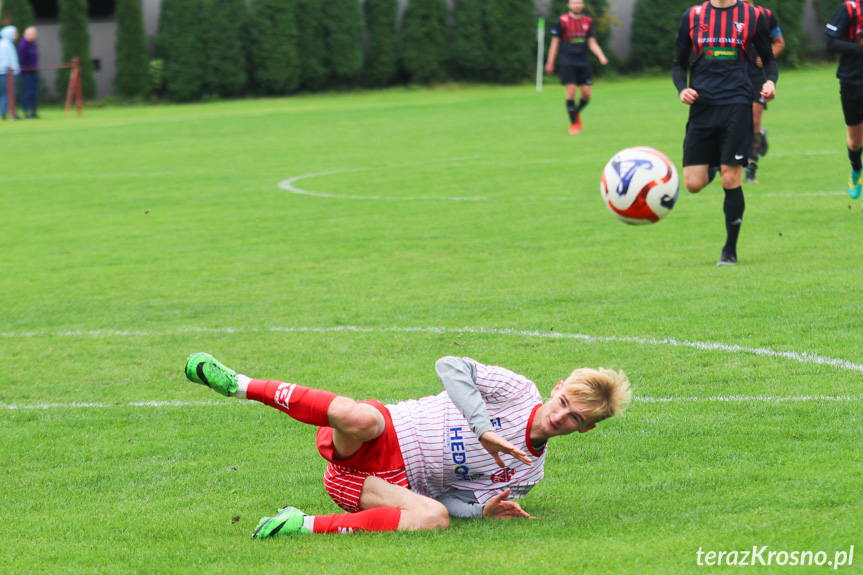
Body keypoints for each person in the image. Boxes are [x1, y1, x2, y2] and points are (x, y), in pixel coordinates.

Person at [183, 352, 631, 537]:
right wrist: (481, 427)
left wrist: (483, 510)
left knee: (434, 518)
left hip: (384, 483)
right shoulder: (518, 391)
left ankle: (300, 524)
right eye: (564, 402)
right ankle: (239, 384)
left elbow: (454, 503)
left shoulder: (528, 474)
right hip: (384, 431)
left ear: (584, 429)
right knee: (360, 415)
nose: (559, 415)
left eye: (574, 418)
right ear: (556, 389)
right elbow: (450, 365)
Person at [672, 0, 778, 266]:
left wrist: (769, 81)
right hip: (702, 107)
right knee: (693, 184)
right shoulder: (693, 15)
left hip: (737, 104)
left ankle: (729, 251)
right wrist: (681, 89)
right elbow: (678, 63)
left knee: (730, 179)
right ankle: (723, 161)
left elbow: (769, 60)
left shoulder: (752, 16)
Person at [545, 0, 608, 135]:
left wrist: (601, 55)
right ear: (569, 5)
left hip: (583, 62)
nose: (577, 5)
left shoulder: (587, 21)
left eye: (579, 2)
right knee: (571, 93)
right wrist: (550, 62)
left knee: (586, 95)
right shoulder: (562, 21)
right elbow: (555, 42)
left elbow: (592, 42)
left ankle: (576, 112)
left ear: (583, 5)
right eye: (574, 3)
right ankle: (573, 124)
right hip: (567, 61)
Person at [741, 0, 783, 184]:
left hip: (758, 75)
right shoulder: (725, 14)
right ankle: (758, 138)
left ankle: (751, 169)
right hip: (733, 75)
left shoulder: (765, 15)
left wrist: (767, 57)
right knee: (738, 120)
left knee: (755, 118)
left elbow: (779, 42)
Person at [825, 1, 863, 205]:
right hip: (852, 80)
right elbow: (831, 44)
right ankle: (856, 168)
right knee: (855, 142)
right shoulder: (849, 8)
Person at [17, 26, 38, 119]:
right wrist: (28, 68)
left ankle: (33, 111)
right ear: (25, 35)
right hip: (26, 73)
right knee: (27, 92)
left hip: (34, 72)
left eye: (33, 34)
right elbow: (22, 59)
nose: (31, 36)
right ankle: (26, 112)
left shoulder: (34, 44)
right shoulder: (23, 45)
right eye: (30, 34)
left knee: (34, 92)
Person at [0, 25, 20, 121]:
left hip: (9, 73)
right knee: (7, 93)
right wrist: (11, 69)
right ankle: (5, 113)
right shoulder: (4, 44)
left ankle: (12, 112)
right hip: (6, 73)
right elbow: (6, 61)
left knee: (10, 93)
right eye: (14, 33)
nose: (16, 35)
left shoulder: (8, 43)